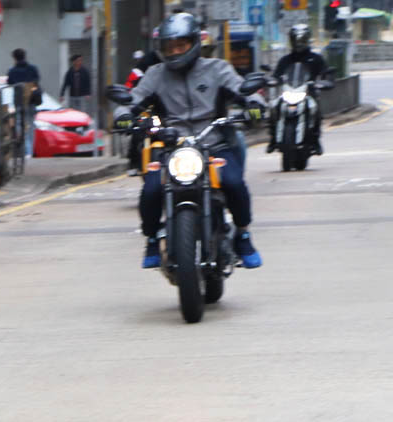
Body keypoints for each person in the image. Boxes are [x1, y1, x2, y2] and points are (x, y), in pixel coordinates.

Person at [114, 13, 263, 270]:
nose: (175, 51)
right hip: (170, 148)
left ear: (194, 43)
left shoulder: (217, 69)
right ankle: (151, 238)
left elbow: (242, 90)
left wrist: (255, 105)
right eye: (169, 47)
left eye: (180, 45)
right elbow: (132, 99)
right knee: (150, 190)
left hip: (215, 144)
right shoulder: (155, 74)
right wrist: (123, 116)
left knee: (234, 183)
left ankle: (243, 234)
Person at [267, 24, 328, 156]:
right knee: (273, 107)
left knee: (315, 110)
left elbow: (326, 73)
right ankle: (272, 139)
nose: (299, 43)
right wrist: (272, 80)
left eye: (302, 40)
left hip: (308, 93)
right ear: (291, 40)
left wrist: (325, 81)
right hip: (289, 91)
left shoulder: (316, 59)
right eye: (296, 40)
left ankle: (315, 140)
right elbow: (276, 75)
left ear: (307, 40)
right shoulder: (285, 60)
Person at [7, 48, 40, 157]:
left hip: (19, 102)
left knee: (19, 126)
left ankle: (26, 151)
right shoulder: (33, 69)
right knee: (30, 127)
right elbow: (36, 81)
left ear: (14, 58)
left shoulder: (12, 71)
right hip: (31, 102)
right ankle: (30, 152)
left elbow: (9, 82)